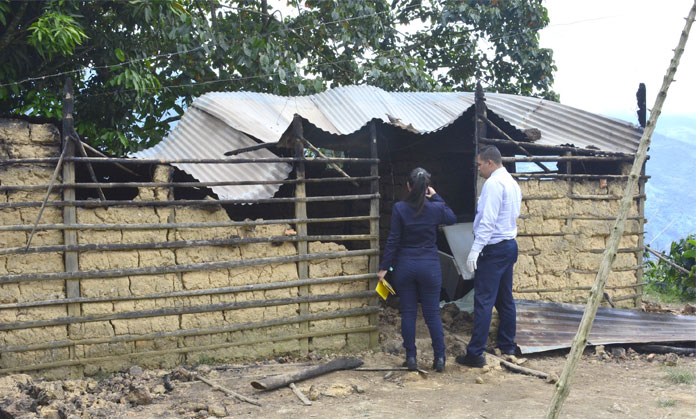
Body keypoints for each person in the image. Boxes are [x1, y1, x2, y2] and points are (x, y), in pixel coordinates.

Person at [378, 168, 456, 372]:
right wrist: (436, 196)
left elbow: (393, 239)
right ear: (426, 188)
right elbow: (452, 217)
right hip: (429, 266)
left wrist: (384, 267)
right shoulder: (436, 208)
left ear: (408, 186)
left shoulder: (399, 208)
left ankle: (411, 358)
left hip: (406, 266)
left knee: (409, 313)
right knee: (432, 315)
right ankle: (439, 359)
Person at [456, 145, 522, 368]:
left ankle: (475, 353)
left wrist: (476, 248)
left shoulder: (493, 184)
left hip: (493, 249)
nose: (479, 169)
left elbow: (488, 220)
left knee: (483, 301)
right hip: (509, 246)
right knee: (505, 299)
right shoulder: (511, 182)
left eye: (480, 165)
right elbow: (514, 215)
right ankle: (507, 345)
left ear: (490, 163)